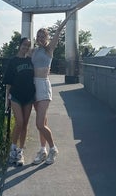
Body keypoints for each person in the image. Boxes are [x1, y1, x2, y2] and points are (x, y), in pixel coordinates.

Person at [31, 10, 76, 165]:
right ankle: (43, 150)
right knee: (42, 121)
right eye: (39, 36)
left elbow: (58, 32)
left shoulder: (49, 50)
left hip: (43, 85)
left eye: (44, 36)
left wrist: (68, 17)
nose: (41, 38)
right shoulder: (33, 51)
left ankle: (53, 148)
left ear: (47, 38)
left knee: (39, 124)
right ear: (36, 38)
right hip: (33, 86)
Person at [3, 37, 35, 166]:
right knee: (19, 122)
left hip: (29, 96)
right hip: (15, 95)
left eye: (28, 45)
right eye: (24, 44)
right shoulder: (13, 61)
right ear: (19, 45)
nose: (26, 47)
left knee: (25, 124)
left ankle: (20, 152)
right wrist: (7, 99)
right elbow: (8, 82)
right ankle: (13, 150)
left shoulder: (30, 61)